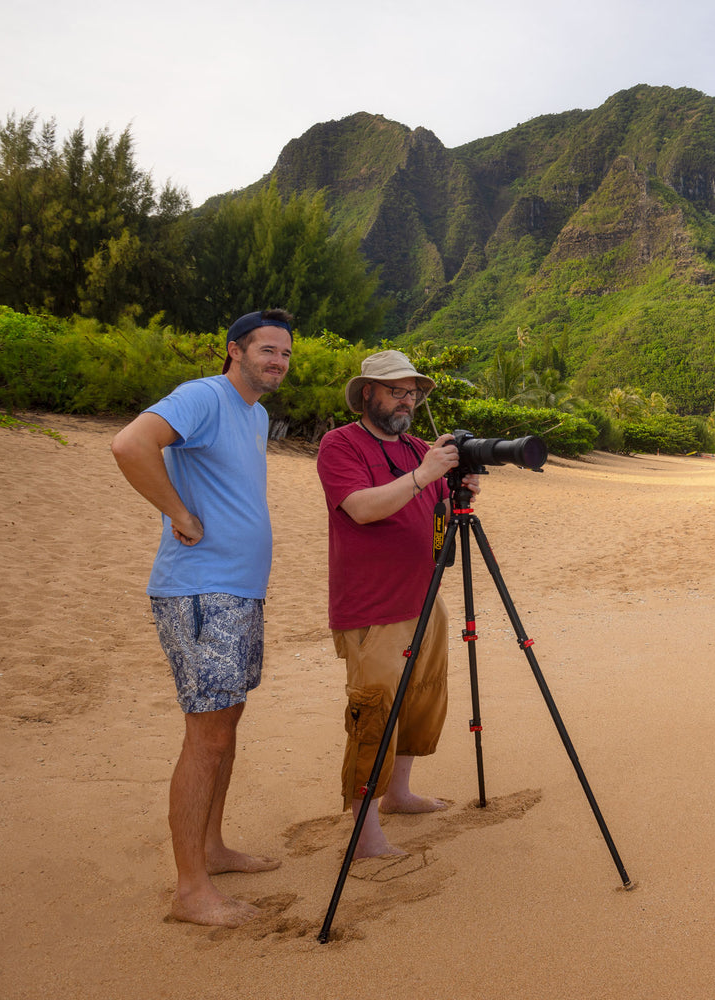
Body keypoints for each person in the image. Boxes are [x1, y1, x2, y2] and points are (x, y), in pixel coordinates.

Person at [111, 309, 294, 927]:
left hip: (238, 592)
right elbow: (130, 443)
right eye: (267, 350)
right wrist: (178, 514)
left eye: (285, 354)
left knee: (226, 728)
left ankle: (212, 850)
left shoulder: (256, 413)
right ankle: (190, 891)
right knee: (206, 736)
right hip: (200, 592)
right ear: (234, 350)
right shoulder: (205, 395)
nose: (277, 362)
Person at [315, 350, 480, 857]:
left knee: (420, 699)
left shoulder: (417, 448)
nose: (406, 400)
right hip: (372, 606)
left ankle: (400, 794)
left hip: (424, 596)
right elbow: (362, 508)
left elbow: (434, 508)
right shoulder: (339, 444)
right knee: (375, 713)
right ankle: (364, 834)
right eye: (395, 391)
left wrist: (461, 490)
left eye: (412, 392)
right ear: (368, 393)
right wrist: (425, 474)